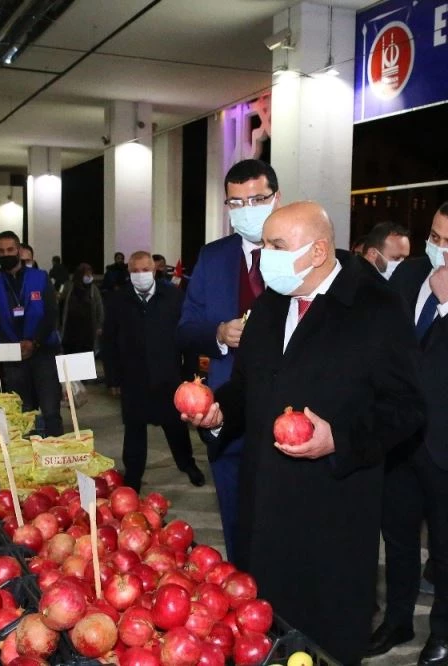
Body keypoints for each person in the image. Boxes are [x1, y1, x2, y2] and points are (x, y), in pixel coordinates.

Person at [184, 201, 425, 665]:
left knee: (323, 637)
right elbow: (246, 386)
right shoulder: (269, 303)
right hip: (264, 497)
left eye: (276, 246)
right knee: (264, 628)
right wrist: (219, 414)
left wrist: (340, 439)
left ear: (317, 251)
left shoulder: (375, 307)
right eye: (264, 245)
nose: (265, 257)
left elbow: (406, 407)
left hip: (333, 503)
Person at [176, 158, 280, 560]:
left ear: (276, 198)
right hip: (224, 410)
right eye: (236, 203)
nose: (246, 210)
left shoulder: (295, 255)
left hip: (286, 408)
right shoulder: (213, 257)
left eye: (257, 199)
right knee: (235, 516)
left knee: (281, 520)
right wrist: (218, 333)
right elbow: (186, 328)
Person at [370, 201, 448, 665]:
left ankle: (442, 633)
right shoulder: (409, 274)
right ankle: (397, 620)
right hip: (399, 438)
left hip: (444, 444)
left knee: (444, 547)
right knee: (397, 539)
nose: (439, 248)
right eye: (435, 237)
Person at [103, 251, 204, 491]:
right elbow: (109, 341)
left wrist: (191, 376)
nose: (141, 275)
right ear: (129, 273)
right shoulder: (118, 300)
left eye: (145, 270)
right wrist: (112, 378)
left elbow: (187, 338)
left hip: (168, 377)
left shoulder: (174, 297)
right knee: (134, 431)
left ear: (155, 270)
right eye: (135, 271)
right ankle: (133, 477)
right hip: (133, 378)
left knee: (176, 427)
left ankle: (187, 464)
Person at [0, 231, 63, 436]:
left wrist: (34, 342)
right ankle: (25, 450)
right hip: (12, 357)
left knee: (50, 409)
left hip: (43, 351)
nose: (6, 254)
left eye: (10, 249)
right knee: (21, 411)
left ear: (18, 250)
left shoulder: (40, 277)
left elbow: (51, 314)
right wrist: (11, 347)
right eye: (1, 251)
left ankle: (56, 448)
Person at [60, 263, 104, 355]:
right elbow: (62, 303)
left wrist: (99, 325)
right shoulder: (70, 286)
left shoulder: (93, 289)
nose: (89, 277)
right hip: (71, 329)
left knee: (86, 354)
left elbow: (99, 308)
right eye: (87, 274)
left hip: (88, 330)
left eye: (90, 274)